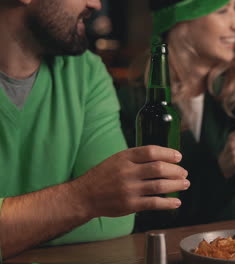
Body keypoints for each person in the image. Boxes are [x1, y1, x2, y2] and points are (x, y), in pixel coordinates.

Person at [0, 0, 190, 259]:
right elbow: (102, 204)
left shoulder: (87, 72)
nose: (95, 4)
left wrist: (18, 227)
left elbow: (115, 221)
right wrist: (85, 198)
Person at [138, 0, 235, 229]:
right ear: (181, 22)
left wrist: (218, 243)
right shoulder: (139, 99)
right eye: (222, 10)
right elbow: (147, 208)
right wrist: (218, 170)